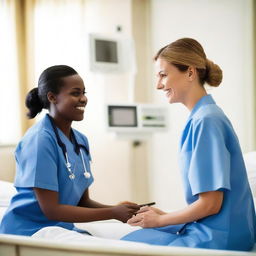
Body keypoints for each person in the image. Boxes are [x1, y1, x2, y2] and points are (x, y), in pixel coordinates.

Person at [121, 38, 256, 251]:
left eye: (163, 75)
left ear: (190, 73)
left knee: (124, 246)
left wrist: (159, 221)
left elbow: (211, 204)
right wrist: (164, 216)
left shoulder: (206, 120)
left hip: (220, 239)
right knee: (133, 238)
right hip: (220, 230)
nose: (158, 85)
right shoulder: (203, 116)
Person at [0, 65, 139, 236]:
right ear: (52, 97)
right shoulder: (39, 141)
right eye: (75, 93)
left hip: (61, 228)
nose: (83, 99)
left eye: (84, 93)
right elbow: (51, 211)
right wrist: (112, 213)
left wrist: (119, 209)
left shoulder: (80, 140)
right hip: (30, 232)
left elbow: (82, 201)